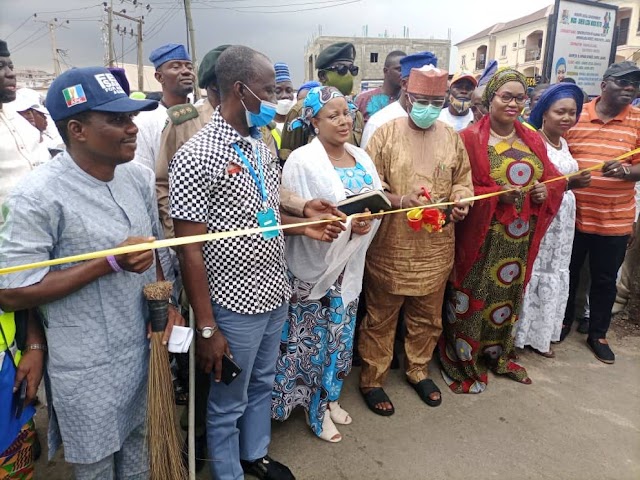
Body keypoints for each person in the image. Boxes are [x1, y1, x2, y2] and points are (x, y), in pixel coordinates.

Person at [0, 66, 182, 478]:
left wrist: (166, 301)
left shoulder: (135, 177)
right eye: (117, 120)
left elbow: (154, 251)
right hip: (86, 365)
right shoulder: (37, 196)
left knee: (140, 451)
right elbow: (10, 291)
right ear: (78, 130)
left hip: (143, 350)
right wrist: (108, 262)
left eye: (132, 118)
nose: (132, 129)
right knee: (96, 464)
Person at [169, 45, 296, 480]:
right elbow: (189, 248)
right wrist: (207, 327)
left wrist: (307, 215)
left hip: (274, 291)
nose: (275, 99)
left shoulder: (259, 145)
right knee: (228, 398)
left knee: (262, 382)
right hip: (233, 303)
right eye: (268, 90)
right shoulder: (196, 154)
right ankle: (228, 474)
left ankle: (254, 454)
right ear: (240, 90)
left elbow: (269, 211)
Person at [438, 68, 565, 394]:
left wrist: (542, 192)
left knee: (506, 297)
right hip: (482, 237)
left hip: (518, 239)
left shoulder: (531, 137)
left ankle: (497, 356)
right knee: (472, 296)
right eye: (505, 96)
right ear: (490, 98)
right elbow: (458, 186)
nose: (513, 103)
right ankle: (463, 360)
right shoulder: (469, 138)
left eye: (519, 98)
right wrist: (496, 194)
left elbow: (552, 179)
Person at [358, 65, 473, 414]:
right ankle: (373, 378)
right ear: (408, 97)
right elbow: (369, 190)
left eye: (436, 102)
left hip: (436, 244)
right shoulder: (384, 134)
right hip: (392, 245)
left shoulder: (451, 135)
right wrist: (400, 201)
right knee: (381, 316)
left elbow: (462, 179)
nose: (429, 108)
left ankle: (418, 369)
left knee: (427, 314)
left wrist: (461, 199)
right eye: (422, 100)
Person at [272, 86, 381, 442]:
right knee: (314, 341)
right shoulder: (302, 161)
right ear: (313, 121)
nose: (344, 120)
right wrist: (349, 224)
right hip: (317, 270)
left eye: (347, 113)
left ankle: (330, 396)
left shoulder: (361, 157)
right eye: (332, 115)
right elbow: (292, 215)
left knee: (341, 337)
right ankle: (313, 408)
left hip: (350, 265)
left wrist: (363, 223)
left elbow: (376, 201)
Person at [561, 61, 640, 364]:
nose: (630, 88)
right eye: (623, 82)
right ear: (605, 84)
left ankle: (598, 333)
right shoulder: (575, 114)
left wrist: (625, 171)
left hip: (614, 218)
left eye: (634, 84)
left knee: (605, 279)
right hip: (574, 216)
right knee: (568, 273)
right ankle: (563, 322)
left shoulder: (638, 119)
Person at [515, 83, 591, 357]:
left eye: (572, 112)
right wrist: (570, 183)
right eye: (560, 111)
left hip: (563, 220)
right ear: (544, 113)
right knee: (534, 270)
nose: (567, 118)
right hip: (542, 218)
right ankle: (519, 336)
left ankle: (542, 334)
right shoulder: (533, 141)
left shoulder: (564, 142)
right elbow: (534, 183)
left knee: (556, 270)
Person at [0, 39, 46, 479]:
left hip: (29, 269)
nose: (9, 73)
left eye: (10, 64)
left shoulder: (21, 122)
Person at [280, 42, 364, 160]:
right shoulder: (302, 111)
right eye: (342, 69)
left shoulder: (355, 114)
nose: (349, 75)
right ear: (322, 76)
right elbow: (288, 157)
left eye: (352, 69)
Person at [133, 43, 195, 173]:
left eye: (189, 67)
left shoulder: (204, 115)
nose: (186, 71)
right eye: (176, 67)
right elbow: (143, 173)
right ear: (159, 77)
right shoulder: (145, 122)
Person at [360, 51, 438, 149]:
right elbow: (367, 163)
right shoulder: (379, 123)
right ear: (405, 84)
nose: (428, 90)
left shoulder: (443, 128)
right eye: (422, 83)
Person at [354, 50, 405, 123]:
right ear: (385, 71)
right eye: (399, 69)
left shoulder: (410, 102)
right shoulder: (363, 100)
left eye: (406, 69)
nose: (404, 73)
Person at [273, 62, 296, 147]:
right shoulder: (264, 127)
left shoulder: (299, 124)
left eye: (288, 90)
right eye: (278, 91)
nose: (284, 96)